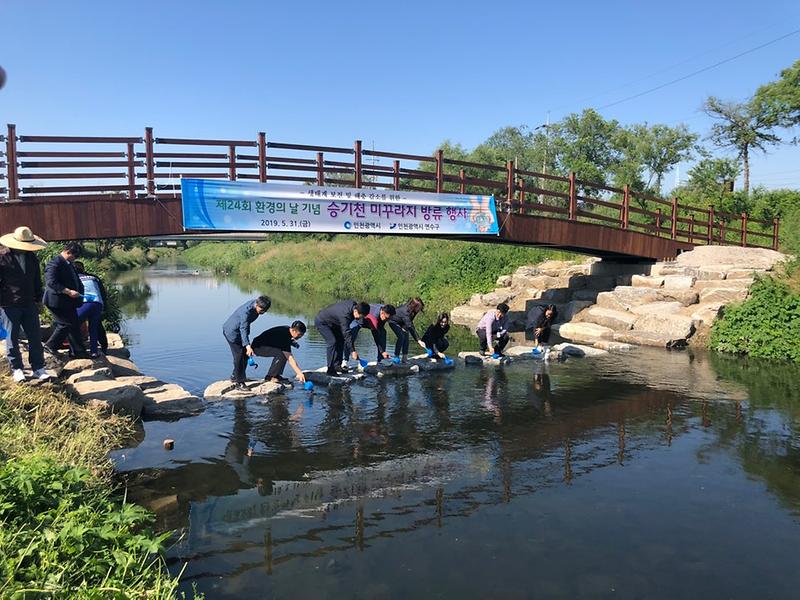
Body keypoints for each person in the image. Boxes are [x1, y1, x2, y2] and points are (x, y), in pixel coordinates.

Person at [0, 226, 50, 382]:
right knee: (12, 337)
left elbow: (36, 280)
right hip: (9, 304)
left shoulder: (31, 257)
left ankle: (38, 368)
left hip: (29, 303)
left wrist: (39, 299)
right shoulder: (2, 258)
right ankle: (17, 369)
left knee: (35, 336)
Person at [43, 242, 88, 359]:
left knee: (74, 325)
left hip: (68, 302)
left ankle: (78, 351)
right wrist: (68, 291)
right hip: (56, 301)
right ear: (68, 252)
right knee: (65, 324)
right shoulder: (54, 263)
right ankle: (50, 345)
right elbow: (51, 283)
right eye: (75, 256)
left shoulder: (68, 263)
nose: (75, 259)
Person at [223, 295, 271, 389]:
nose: (263, 312)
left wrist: (246, 343)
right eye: (261, 310)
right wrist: (248, 345)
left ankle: (235, 376)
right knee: (239, 356)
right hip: (231, 333)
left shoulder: (256, 304)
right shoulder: (246, 312)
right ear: (256, 304)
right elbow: (243, 328)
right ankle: (239, 382)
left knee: (245, 355)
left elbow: (246, 326)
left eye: (265, 311)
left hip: (240, 333)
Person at [314, 300, 370, 376]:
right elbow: (346, 333)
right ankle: (330, 369)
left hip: (334, 323)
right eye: (361, 316)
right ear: (356, 311)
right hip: (322, 322)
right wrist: (352, 351)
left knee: (340, 340)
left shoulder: (354, 306)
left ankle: (337, 366)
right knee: (332, 342)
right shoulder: (345, 315)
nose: (360, 318)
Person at [73, 261, 109, 358]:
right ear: (83, 269)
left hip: (84, 303)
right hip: (97, 303)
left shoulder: (74, 278)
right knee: (95, 327)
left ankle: (75, 350)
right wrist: (105, 306)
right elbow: (102, 292)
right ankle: (97, 350)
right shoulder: (94, 278)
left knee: (72, 325)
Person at [388, 297, 426, 362]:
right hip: (393, 321)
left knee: (406, 336)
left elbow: (410, 322)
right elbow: (410, 326)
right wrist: (418, 340)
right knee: (401, 336)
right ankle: (396, 357)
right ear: (414, 306)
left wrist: (404, 327)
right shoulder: (405, 312)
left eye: (420, 308)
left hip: (403, 322)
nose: (419, 310)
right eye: (419, 308)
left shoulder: (413, 310)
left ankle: (404, 358)